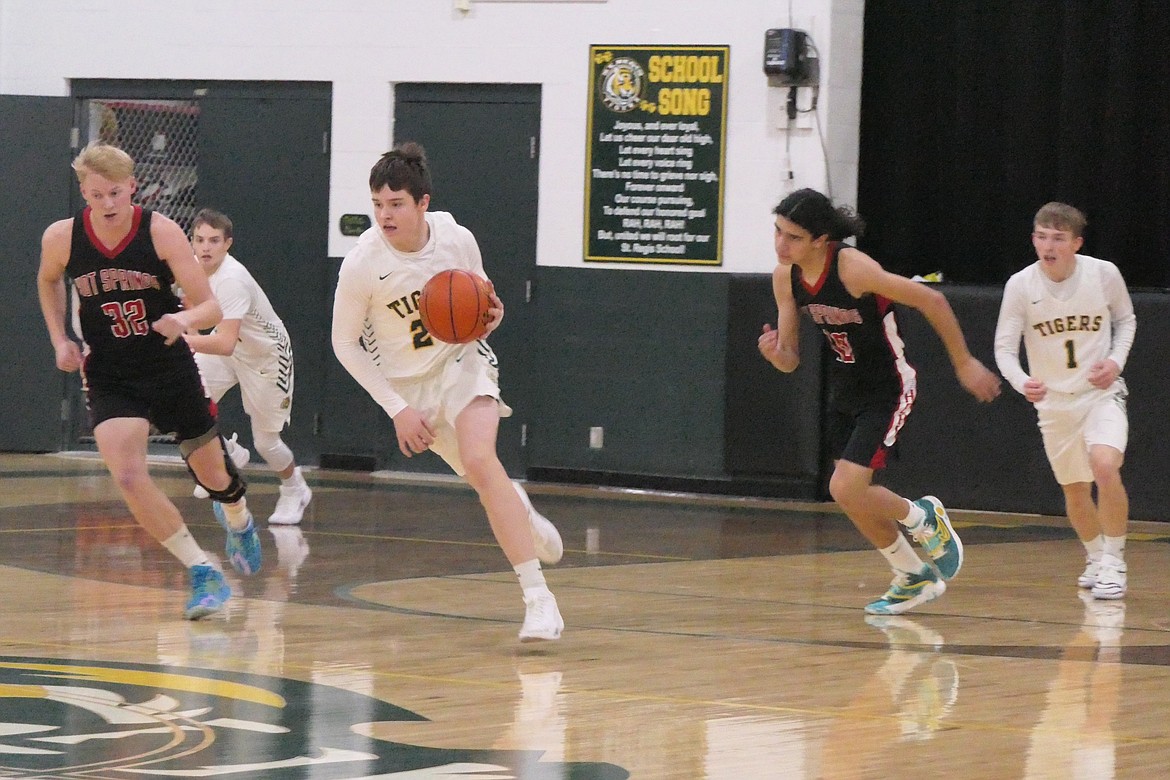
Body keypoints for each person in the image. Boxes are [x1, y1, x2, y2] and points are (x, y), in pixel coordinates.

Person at [331, 142, 565, 642]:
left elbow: (483, 303)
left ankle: (539, 600)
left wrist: (493, 315)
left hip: (462, 361)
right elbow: (343, 344)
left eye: (395, 204)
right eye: (377, 204)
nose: (384, 215)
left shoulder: (456, 238)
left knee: (481, 459)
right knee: (485, 480)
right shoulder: (362, 264)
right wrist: (396, 409)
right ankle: (522, 512)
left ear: (422, 203)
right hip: (411, 388)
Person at [36, 142, 262, 620]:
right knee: (128, 475)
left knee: (214, 476)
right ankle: (203, 571)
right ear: (84, 192)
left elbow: (209, 307)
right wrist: (60, 338)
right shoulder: (62, 237)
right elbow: (48, 281)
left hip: (168, 366)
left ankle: (239, 518)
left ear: (132, 187)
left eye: (116, 193)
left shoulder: (160, 232)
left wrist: (183, 321)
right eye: (96, 195)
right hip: (110, 372)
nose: (108, 204)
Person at [758, 188, 1001, 615]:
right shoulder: (786, 277)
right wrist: (775, 353)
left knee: (844, 486)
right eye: (777, 231)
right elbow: (791, 361)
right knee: (849, 494)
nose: (781, 244)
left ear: (821, 239)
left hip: (888, 386)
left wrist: (964, 363)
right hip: (845, 389)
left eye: (792, 236)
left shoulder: (852, 268)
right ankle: (912, 575)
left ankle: (921, 517)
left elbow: (933, 298)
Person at [994, 202, 1136, 600]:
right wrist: (1023, 382)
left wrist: (1114, 360)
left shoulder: (1103, 274)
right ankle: (1094, 557)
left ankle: (1114, 561)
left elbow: (1126, 320)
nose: (1048, 245)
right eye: (1041, 236)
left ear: (1076, 243)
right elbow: (1004, 348)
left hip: (1100, 394)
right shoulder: (1021, 285)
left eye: (1058, 238)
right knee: (1075, 490)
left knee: (1105, 466)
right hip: (1054, 403)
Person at [182, 208, 313, 526]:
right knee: (185, 395)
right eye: (199, 240)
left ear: (228, 243)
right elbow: (190, 311)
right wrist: (187, 341)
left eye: (214, 240)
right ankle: (225, 453)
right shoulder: (191, 268)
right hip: (229, 349)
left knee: (266, 443)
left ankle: (294, 488)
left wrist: (181, 341)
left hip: (266, 357)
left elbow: (225, 342)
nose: (205, 247)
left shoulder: (232, 279)